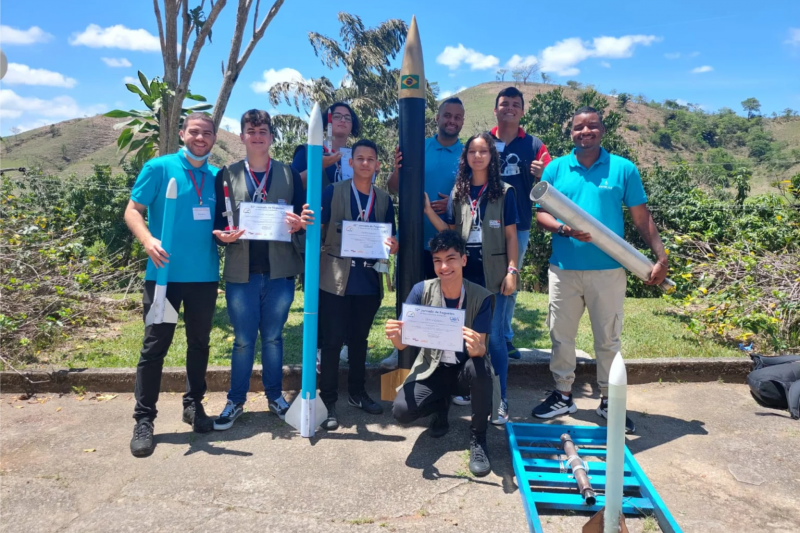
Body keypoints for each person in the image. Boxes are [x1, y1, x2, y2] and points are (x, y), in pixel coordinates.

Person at [531, 106, 669, 434]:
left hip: (609, 270)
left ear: (602, 130)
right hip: (564, 269)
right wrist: (564, 229)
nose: (586, 131)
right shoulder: (556, 169)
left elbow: (641, 217)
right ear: (572, 133)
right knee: (561, 335)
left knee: (608, 339)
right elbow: (541, 214)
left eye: (592, 126)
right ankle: (563, 394)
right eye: (579, 127)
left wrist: (661, 257)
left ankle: (609, 401)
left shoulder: (623, 169)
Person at [125, 113, 221, 457]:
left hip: (204, 277)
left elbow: (221, 222)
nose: (200, 138)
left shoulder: (216, 176)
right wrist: (148, 240)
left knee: (199, 345)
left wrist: (226, 235)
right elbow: (132, 210)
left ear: (213, 138)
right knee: (155, 347)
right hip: (162, 277)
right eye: (194, 132)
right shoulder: (159, 167)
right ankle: (144, 418)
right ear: (182, 133)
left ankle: (193, 404)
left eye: (207, 133)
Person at [211, 110, 308, 430]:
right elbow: (218, 222)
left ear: (271, 136)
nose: (257, 135)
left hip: (280, 273)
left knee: (273, 338)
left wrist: (299, 224)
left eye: (263, 130)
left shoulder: (289, 174)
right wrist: (223, 236)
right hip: (242, 273)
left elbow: (305, 217)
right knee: (242, 340)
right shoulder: (225, 174)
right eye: (250, 130)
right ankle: (235, 400)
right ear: (241, 136)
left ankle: (276, 397)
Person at [302, 139, 399, 430]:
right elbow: (318, 231)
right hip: (335, 278)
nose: (366, 163)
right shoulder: (333, 192)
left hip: (368, 281)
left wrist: (393, 246)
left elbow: (392, 239)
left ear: (378, 164)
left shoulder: (383, 200)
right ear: (351, 162)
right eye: (360, 158)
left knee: (359, 341)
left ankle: (357, 393)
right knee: (331, 343)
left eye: (371, 159)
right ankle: (328, 400)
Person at [423, 132, 518, 425]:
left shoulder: (504, 191)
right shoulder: (459, 192)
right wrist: (428, 210)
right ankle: (467, 387)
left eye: (483, 151)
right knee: (464, 334)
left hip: (494, 273)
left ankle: (500, 399)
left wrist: (512, 271)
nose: (478, 156)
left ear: (492, 157)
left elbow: (511, 236)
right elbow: (451, 230)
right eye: (472, 152)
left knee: (496, 339)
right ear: (465, 157)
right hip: (465, 271)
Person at [388, 231, 495, 477]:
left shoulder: (481, 297)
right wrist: (396, 336)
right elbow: (403, 344)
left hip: (464, 371)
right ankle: (440, 407)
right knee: (401, 412)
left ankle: (478, 440)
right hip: (432, 369)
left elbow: (481, 348)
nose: (444, 266)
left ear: (464, 260)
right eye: (438, 260)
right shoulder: (420, 291)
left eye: (451, 258)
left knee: (480, 368)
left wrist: (477, 347)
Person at [383, 97, 466, 371]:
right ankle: (402, 354)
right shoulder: (419, 147)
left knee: (445, 302)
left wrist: (449, 204)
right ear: (438, 118)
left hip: (447, 246)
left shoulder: (466, 155)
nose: (451, 121)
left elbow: (468, 196)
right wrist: (397, 169)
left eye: (457, 117)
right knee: (410, 297)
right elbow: (393, 187)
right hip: (412, 242)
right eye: (447, 115)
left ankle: (442, 360)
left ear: (462, 122)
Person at [292, 102, 362, 366]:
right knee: (320, 292)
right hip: (318, 237)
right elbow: (294, 184)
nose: (343, 121)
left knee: (345, 293)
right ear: (326, 122)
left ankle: (340, 345)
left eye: (348, 117)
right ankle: (319, 349)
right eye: (337, 116)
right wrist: (318, 164)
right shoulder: (308, 151)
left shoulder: (356, 154)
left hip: (350, 236)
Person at [490, 87, 552, 360]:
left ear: (523, 111)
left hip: (520, 225)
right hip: (486, 224)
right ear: (496, 109)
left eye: (516, 104)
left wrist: (543, 174)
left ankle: (504, 338)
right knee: (486, 281)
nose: (510, 108)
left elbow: (552, 185)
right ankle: (487, 337)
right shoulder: (483, 141)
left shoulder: (536, 146)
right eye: (505, 104)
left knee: (510, 280)